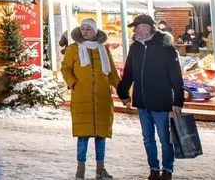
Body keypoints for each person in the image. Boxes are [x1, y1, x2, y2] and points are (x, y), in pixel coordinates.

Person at [115, 14, 184, 180]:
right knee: (147, 138)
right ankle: (153, 168)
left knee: (165, 139)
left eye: (138, 27)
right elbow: (129, 72)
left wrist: (178, 99)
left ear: (148, 27)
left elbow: (175, 75)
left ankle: (167, 170)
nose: (136, 30)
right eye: (135, 28)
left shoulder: (165, 46)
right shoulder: (135, 47)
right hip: (141, 101)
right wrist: (123, 93)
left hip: (161, 100)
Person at [62, 18, 121, 180]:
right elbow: (66, 69)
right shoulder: (73, 49)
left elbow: (112, 74)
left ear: (95, 31)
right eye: (83, 29)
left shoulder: (104, 49)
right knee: (83, 135)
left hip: (102, 98)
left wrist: (123, 91)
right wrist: (74, 84)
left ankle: (100, 169)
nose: (85, 32)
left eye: (88, 29)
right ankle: (80, 169)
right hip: (82, 98)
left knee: (101, 135)